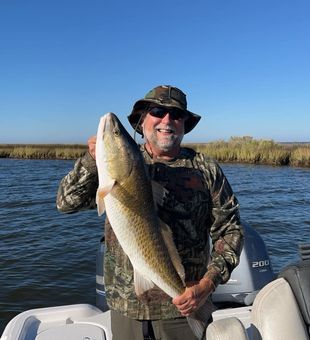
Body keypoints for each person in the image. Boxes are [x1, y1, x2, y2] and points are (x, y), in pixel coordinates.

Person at [56, 85, 244, 340]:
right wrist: (92, 161)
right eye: (157, 111)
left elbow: (230, 228)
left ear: (184, 124)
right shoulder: (112, 172)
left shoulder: (205, 169)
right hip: (126, 309)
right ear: (142, 120)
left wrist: (208, 283)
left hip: (184, 307)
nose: (167, 120)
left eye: (176, 115)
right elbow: (66, 203)